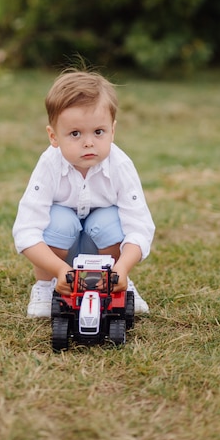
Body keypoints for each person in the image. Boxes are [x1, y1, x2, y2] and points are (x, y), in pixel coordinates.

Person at [12, 66, 155, 317]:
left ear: (113, 130)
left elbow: (139, 226)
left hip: (103, 255)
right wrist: (58, 270)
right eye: (75, 133)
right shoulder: (49, 165)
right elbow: (26, 229)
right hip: (60, 257)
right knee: (58, 220)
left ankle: (118, 284)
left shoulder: (121, 166)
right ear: (53, 137)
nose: (89, 142)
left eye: (98, 132)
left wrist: (121, 268)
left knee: (111, 219)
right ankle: (45, 287)